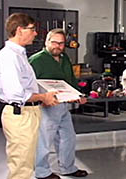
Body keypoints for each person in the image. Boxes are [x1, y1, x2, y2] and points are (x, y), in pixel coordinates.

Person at [0, 13, 59, 179]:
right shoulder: (9, 57)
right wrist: (43, 97)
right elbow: (16, 93)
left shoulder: (19, 55)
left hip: (28, 113)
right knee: (21, 165)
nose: (35, 33)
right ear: (20, 30)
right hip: (20, 114)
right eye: (32, 29)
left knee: (27, 162)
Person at [29, 28, 88, 179]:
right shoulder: (36, 60)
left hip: (63, 105)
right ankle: (42, 172)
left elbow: (70, 80)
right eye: (54, 42)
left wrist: (79, 94)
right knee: (44, 139)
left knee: (68, 137)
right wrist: (40, 98)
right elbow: (28, 85)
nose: (58, 46)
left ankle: (67, 168)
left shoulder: (64, 58)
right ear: (46, 42)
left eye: (61, 43)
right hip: (47, 106)